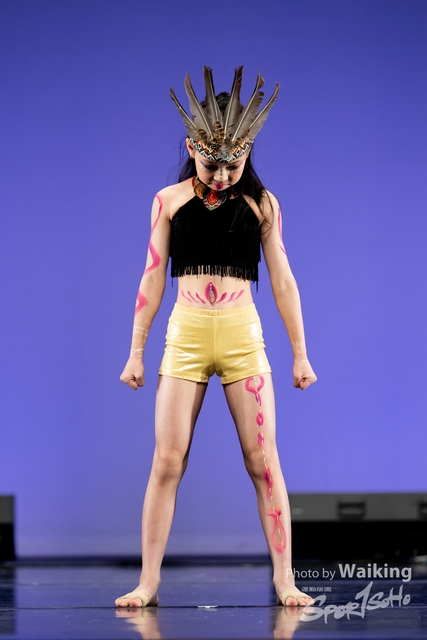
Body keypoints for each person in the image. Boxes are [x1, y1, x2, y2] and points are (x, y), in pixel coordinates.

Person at [115, 67, 317, 609]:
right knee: (167, 462)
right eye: (212, 164)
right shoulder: (168, 200)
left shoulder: (262, 204)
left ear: (248, 152)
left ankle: (284, 579)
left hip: (242, 336)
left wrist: (300, 354)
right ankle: (148, 581)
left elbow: (283, 280)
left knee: (263, 461)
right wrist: (136, 352)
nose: (224, 175)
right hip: (184, 336)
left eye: (235, 163)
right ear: (191, 148)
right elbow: (152, 276)